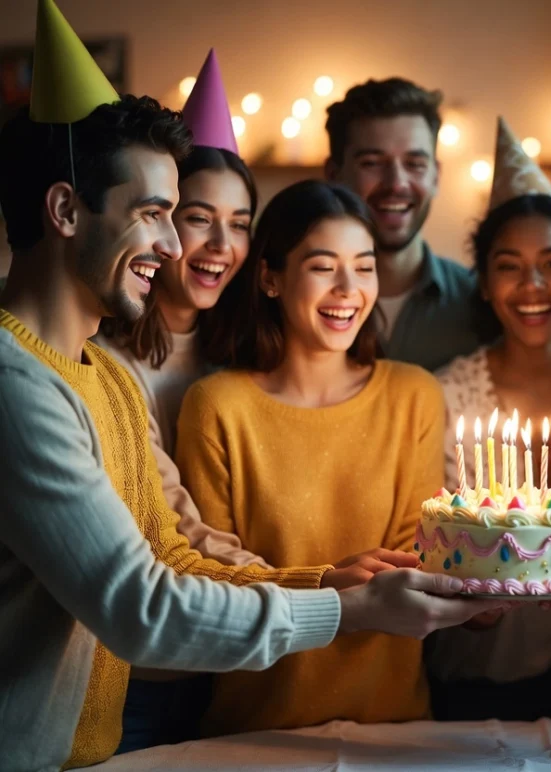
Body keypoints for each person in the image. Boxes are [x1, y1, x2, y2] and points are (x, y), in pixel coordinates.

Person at [0, 7, 499, 769]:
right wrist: (346, 607)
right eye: (155, 215)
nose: (174, 246)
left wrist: (326, 577)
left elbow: (174, 552)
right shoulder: (17, 386)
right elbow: (141, 609)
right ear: (65, 210)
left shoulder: (109, 378)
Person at [175, 179, 447, 735]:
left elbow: (419, 554)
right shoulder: (217, 406)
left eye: (364, 266)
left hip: (393, 728)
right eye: (324, 266)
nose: (349, 288)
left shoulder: (413, 395)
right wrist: (329, 583)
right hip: (255, 729)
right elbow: (212, 574)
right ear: (271, 278)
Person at [95, 49, 290, 753]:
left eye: (240, 224)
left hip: (237, 656)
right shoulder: (106, 362)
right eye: (199, 218)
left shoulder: (247, 359)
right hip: (134, 671)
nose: (220, 244)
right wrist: (321, 595)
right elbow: (168, 526)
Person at [426, 118, 551, 721]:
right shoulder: (447, 392)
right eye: (508, 265)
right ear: (483, 283)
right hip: (475, 674)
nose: (532, 285)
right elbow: (431, 537)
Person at [325, 77, 492, 370]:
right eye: (372, 163)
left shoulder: (483, 303)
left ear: (436, 176)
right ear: (333, 174)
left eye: (415, 164)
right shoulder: (297, 304)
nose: (396, 183)